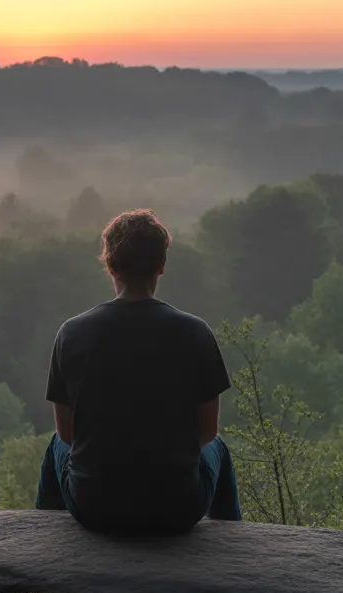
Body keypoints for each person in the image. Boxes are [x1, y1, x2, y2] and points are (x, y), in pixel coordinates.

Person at [36, 209, 242, 534]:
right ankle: (233, 548)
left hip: (93, 507)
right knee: (220, 449)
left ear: (110, 266)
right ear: (161, 265)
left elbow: (67, 435)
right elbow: (207, 432)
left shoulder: (71, 333)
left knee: (54, 447)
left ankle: (44, 547)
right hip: (178, 507)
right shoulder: (196, 333)